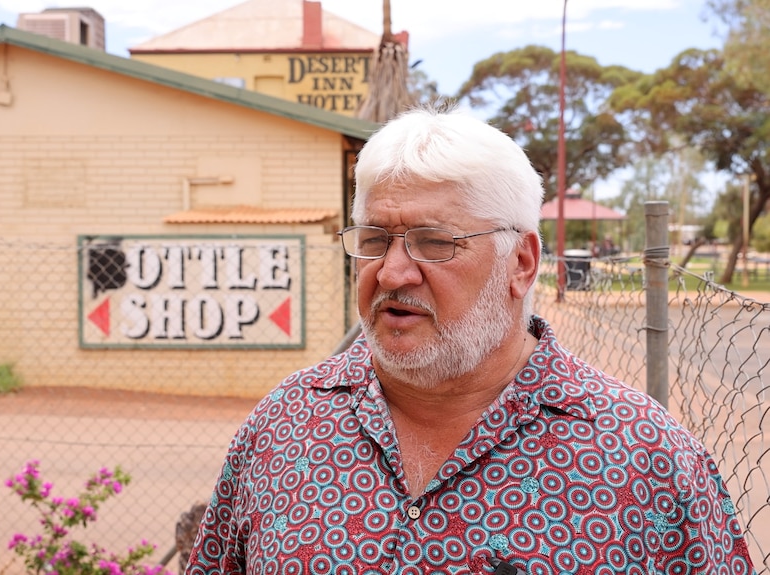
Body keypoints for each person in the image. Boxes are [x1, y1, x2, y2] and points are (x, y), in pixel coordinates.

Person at [186, 107, 755, 575]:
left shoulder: (646, 459)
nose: (391, 273)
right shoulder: (283, 426)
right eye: (376, 239)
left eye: (435, 243)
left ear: (521, 263)